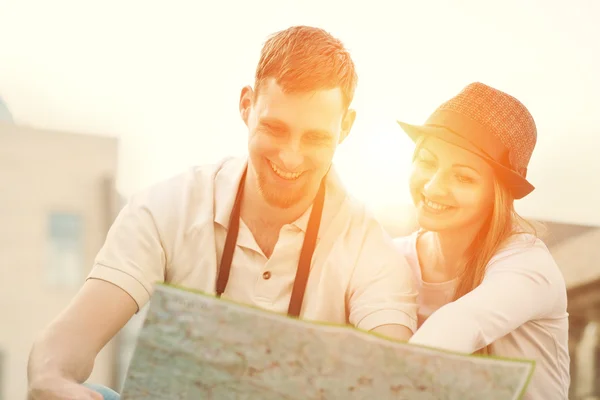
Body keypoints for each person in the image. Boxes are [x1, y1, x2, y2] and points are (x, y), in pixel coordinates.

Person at [27, 26, 417, 400]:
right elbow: (67, 343)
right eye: (275, 128)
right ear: (247, 105)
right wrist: (50, 377)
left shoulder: (370, 249)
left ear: (345, 127)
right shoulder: (168, 207)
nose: (291, 156)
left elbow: (395, 379)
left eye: (314, 137)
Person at [393, 82, 570, 399]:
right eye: (428, 161)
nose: (433, 188)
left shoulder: (528, 264)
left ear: (496, 194)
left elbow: (461, 324)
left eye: (463, 177)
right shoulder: (391, 258)